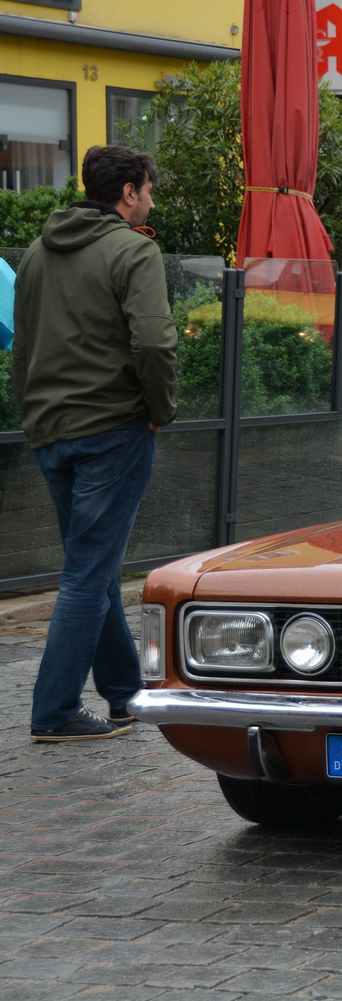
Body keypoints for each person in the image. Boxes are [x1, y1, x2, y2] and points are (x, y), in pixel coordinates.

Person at [12, 145, 177, 742]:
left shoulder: (35, 254)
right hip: (113, 429)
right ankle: (53, 712)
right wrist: (159, 411)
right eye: (148, 190)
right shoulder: (135, 250)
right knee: (86, 573)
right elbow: (155, 344)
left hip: (51, 430)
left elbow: (21, 350)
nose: (151, 200)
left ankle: (125, 696)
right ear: (128, 192)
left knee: (96, 566)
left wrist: (34, 416)